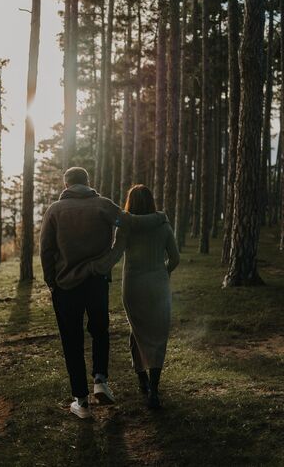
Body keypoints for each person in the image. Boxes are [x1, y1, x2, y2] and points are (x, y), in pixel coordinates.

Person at [40, 167, 165, 419]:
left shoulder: (54, 211)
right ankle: (100, 379)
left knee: (71, 341)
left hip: (65, 287)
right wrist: (160, 217)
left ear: (66, 185)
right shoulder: (103, 206)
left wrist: (51, 282)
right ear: (88, 182)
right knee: (99, 331)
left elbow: (46, 250)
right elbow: (129, 221)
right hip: (96, 281)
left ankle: (82, 403)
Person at [86, 184, 180, 409]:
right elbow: (175, 258)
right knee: (158, 335)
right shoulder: (163, 225)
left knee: (137, 332)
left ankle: (142, 381)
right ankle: (154, 391)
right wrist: (162, 273)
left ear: (130, 203)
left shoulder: (126, 227)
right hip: (158, 286)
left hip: (133, 287)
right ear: (151, 202)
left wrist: (92, 268)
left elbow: (114, 256)